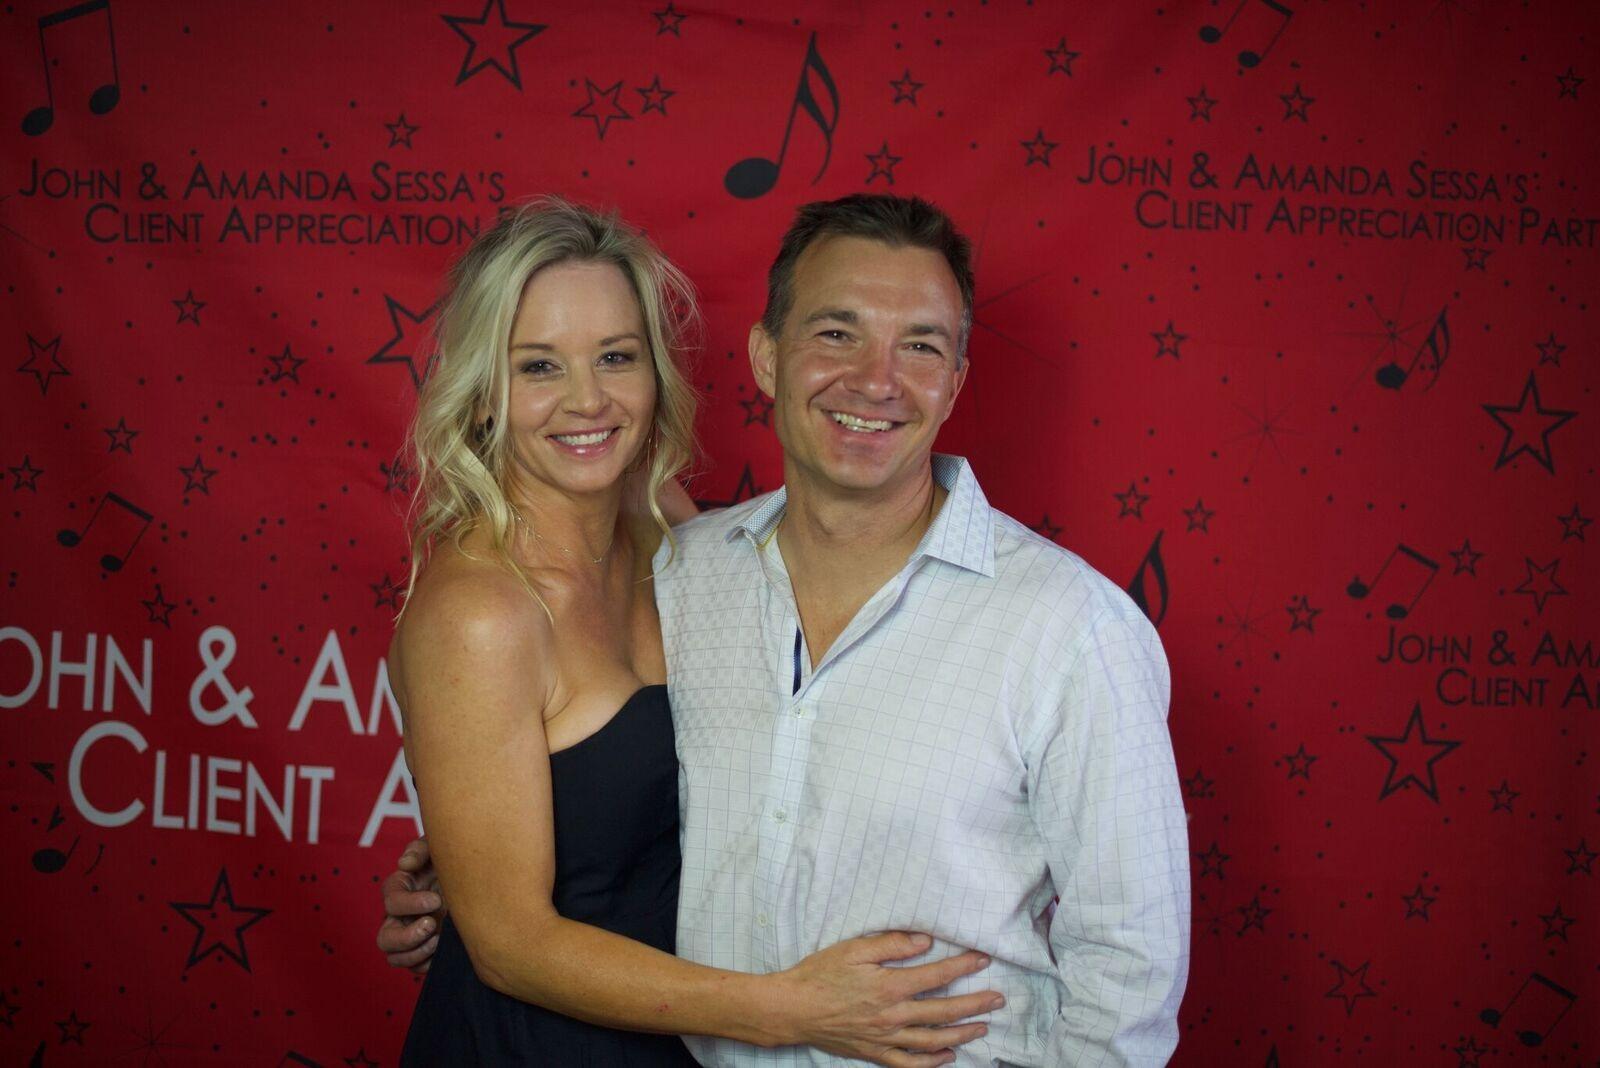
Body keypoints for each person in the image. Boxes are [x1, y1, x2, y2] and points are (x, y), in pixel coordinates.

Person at [381, 193, 1192, 1065]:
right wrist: (475, 876)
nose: (876, 381)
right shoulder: (662, 574)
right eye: (838, 333)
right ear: (766, 358)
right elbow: (512, 933)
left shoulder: (674, 545)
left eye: (615, 356)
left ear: (956, 379)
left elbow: (1128, 971)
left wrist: (479, 858)